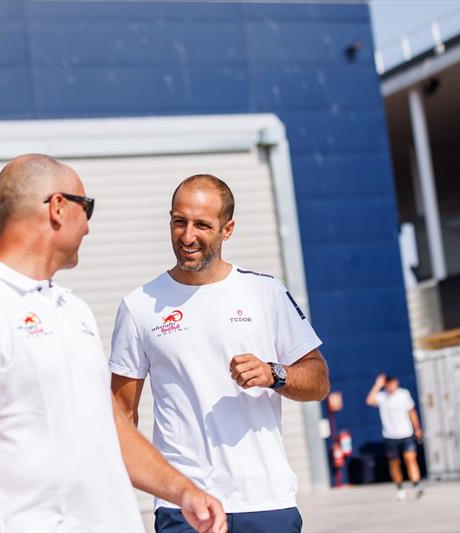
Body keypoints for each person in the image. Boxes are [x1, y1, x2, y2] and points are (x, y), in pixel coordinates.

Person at [0, 155, 226, 533]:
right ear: (58, 207)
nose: (87, 228)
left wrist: (184, 492)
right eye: (88, 208)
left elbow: (109, 425)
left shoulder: (71, 309)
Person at [109, 174, 330, 533]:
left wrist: (275, 374)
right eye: (179, 221)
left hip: (265, 500)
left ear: (228, 229)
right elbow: (121, 413)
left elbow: (319, 380)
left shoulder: (265, 292)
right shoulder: (139, 306)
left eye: (202, 225)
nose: (187, 236)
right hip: (183, 506)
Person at [366, 374, 424, 500]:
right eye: (389, 384)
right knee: (394, 463)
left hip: (406, 433)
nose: (392, 386)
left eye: (393, 383)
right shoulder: (382, 397)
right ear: (386, 385)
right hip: (390, 436)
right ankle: (400, 488)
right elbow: (369, 401)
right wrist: (377, 385)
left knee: (410, 459)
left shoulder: (404, 394)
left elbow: (411, 411)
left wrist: (417, 428)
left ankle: (416, 484)